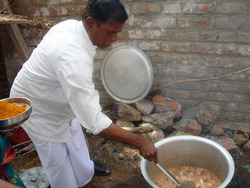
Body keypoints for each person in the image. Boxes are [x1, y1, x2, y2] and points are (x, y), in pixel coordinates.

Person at [10, 0, 158, 187]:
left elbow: (83, 105)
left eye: (117, 33)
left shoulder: (72, 27)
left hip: (57, 97)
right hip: (36, 107)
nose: (114, 39)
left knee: (75, 139)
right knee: (58, 162)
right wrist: (140, 142)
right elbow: (95, 122)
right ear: (90, 23)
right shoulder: (72, 57)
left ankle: (85, 172)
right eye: (110, 32)